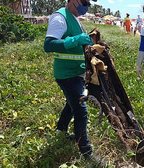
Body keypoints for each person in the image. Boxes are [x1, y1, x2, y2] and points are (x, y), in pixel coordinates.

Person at [43, 0, 96, 158]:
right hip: (66, 74)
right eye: (84, 2)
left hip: (76, 73)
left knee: (70, 102)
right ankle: (85, 150)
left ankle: (61, 129)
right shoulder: (60, 17)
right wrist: (75, 40)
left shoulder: (75, 18)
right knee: (80, 110)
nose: (86, 6)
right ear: (74, 1)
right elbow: (49, 45)